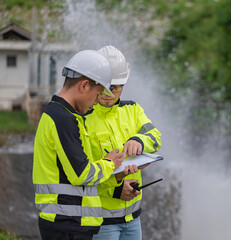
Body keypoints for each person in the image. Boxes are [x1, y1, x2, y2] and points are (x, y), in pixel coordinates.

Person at [32, 50, 125, 240]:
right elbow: (82, 174)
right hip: (67, 225)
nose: (96, 103)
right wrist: (110, 163)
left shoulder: (61, 114)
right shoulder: (63, 119)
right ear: (84, 86)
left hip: (68, 223)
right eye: (97, 94)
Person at [85, 45, 161, 240]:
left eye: (115, 88)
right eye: (105, 87)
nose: (109, 94)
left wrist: (139, 141)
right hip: (101, 222)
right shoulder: (83, 119)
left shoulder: (133, 110)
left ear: (123, 86)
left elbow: (155, 136)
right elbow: (81, 171)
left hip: (133, 219)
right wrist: (116, 188)